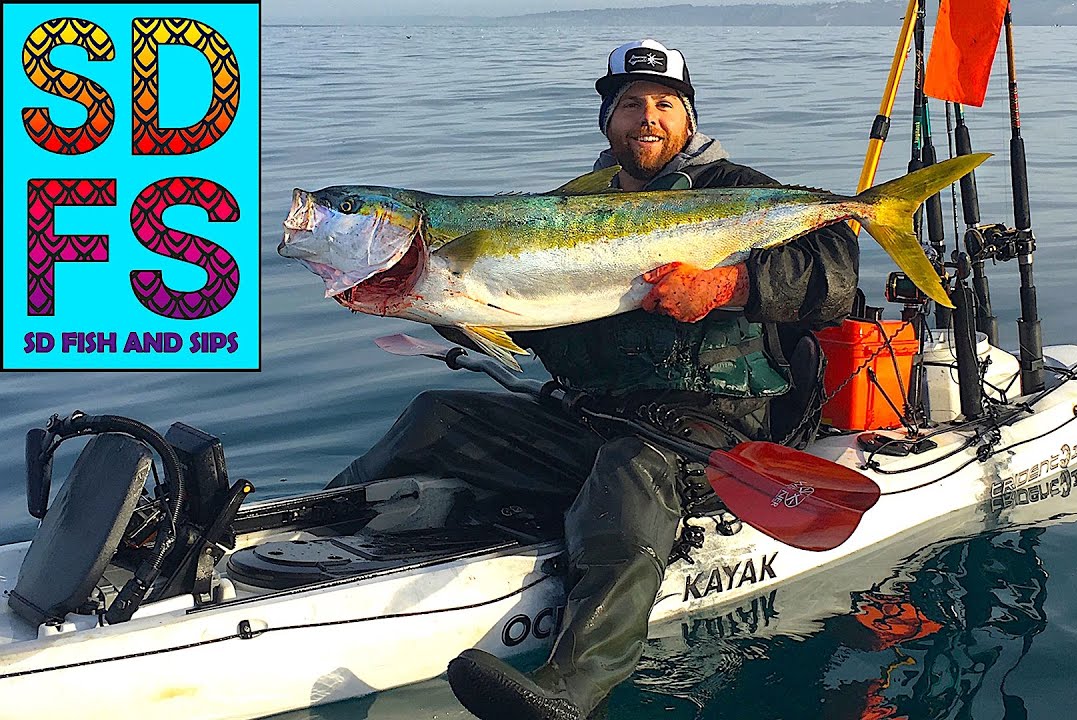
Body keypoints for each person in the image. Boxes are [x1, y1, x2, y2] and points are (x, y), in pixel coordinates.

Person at [328, 39, 861, 720]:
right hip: (588, 418)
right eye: (631, 104)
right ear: (607, 121)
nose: (648, 116)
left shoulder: (745, 192)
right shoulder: (562, 212)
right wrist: (422, 299)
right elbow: (512, 320)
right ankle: (307, 536)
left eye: (665, 104)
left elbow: (835, 278)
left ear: (688, 120)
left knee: (632, 471)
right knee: (436, 415)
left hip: (705, 433)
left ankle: (573, 688)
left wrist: (729, 284)